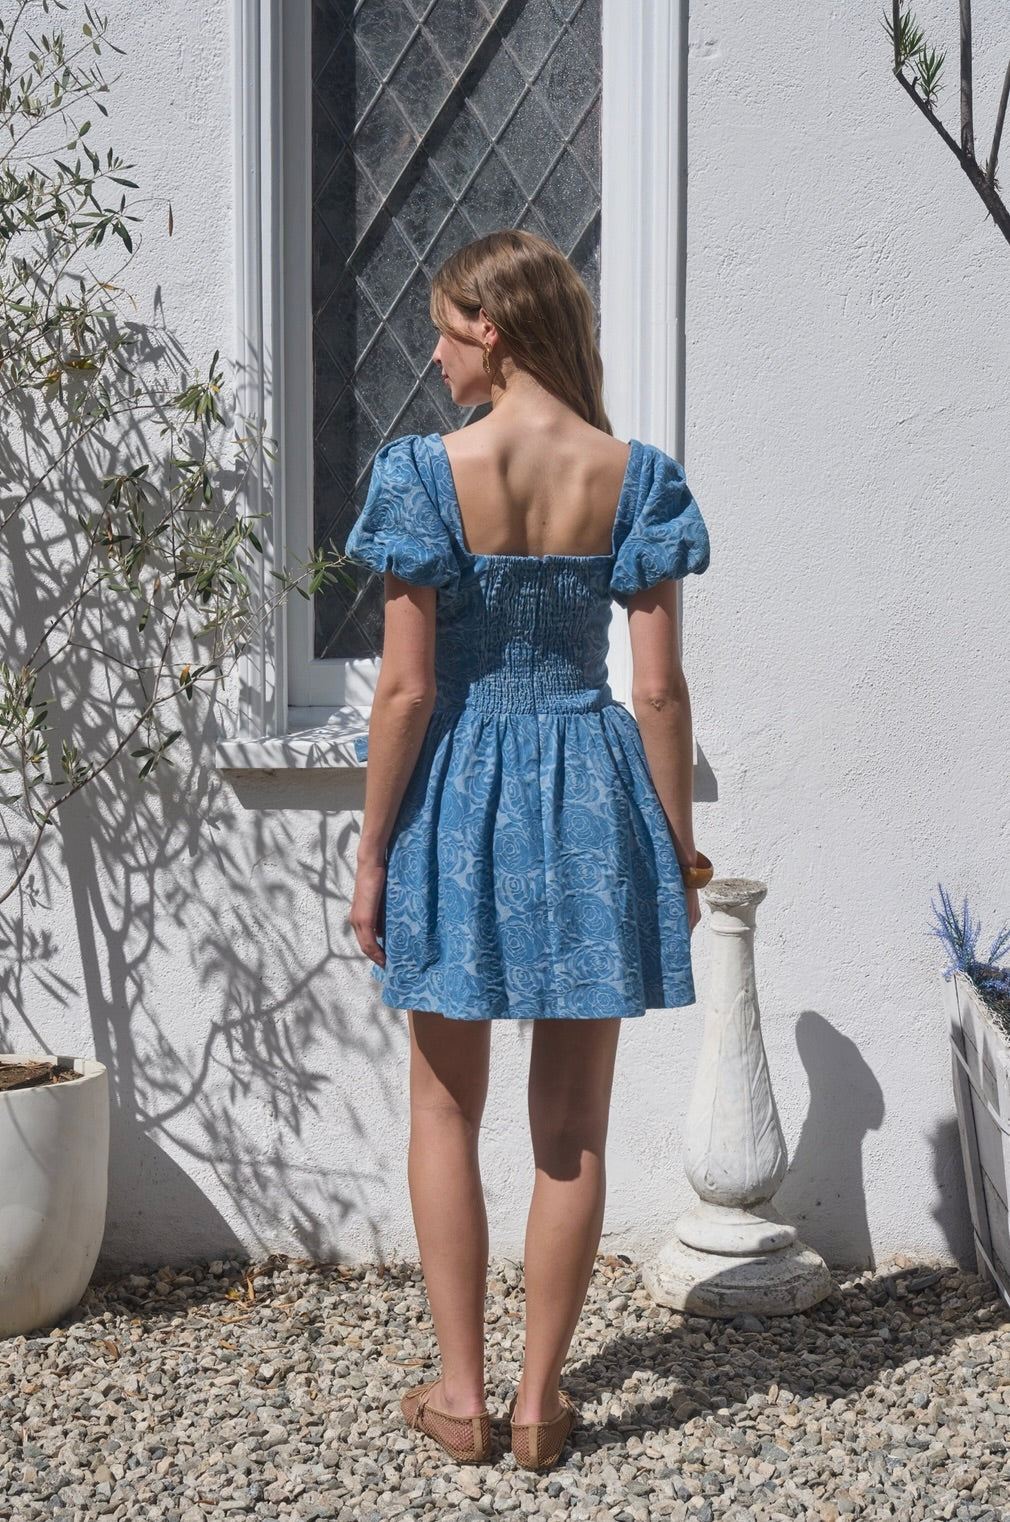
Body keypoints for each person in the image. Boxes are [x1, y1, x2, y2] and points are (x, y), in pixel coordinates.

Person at [345, 229, 711, 1470]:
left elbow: (401, 694)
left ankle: (461, 1395)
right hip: (590, 789)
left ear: (490, 331)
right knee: (575, 1121)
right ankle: (544, 1403)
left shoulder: (419, 474)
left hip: (456, 790)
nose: (432, 352)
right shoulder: (637, 477)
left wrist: (370, 855)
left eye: (444, 329)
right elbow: (656, 696)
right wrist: (676, 847)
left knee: (444, 1105)